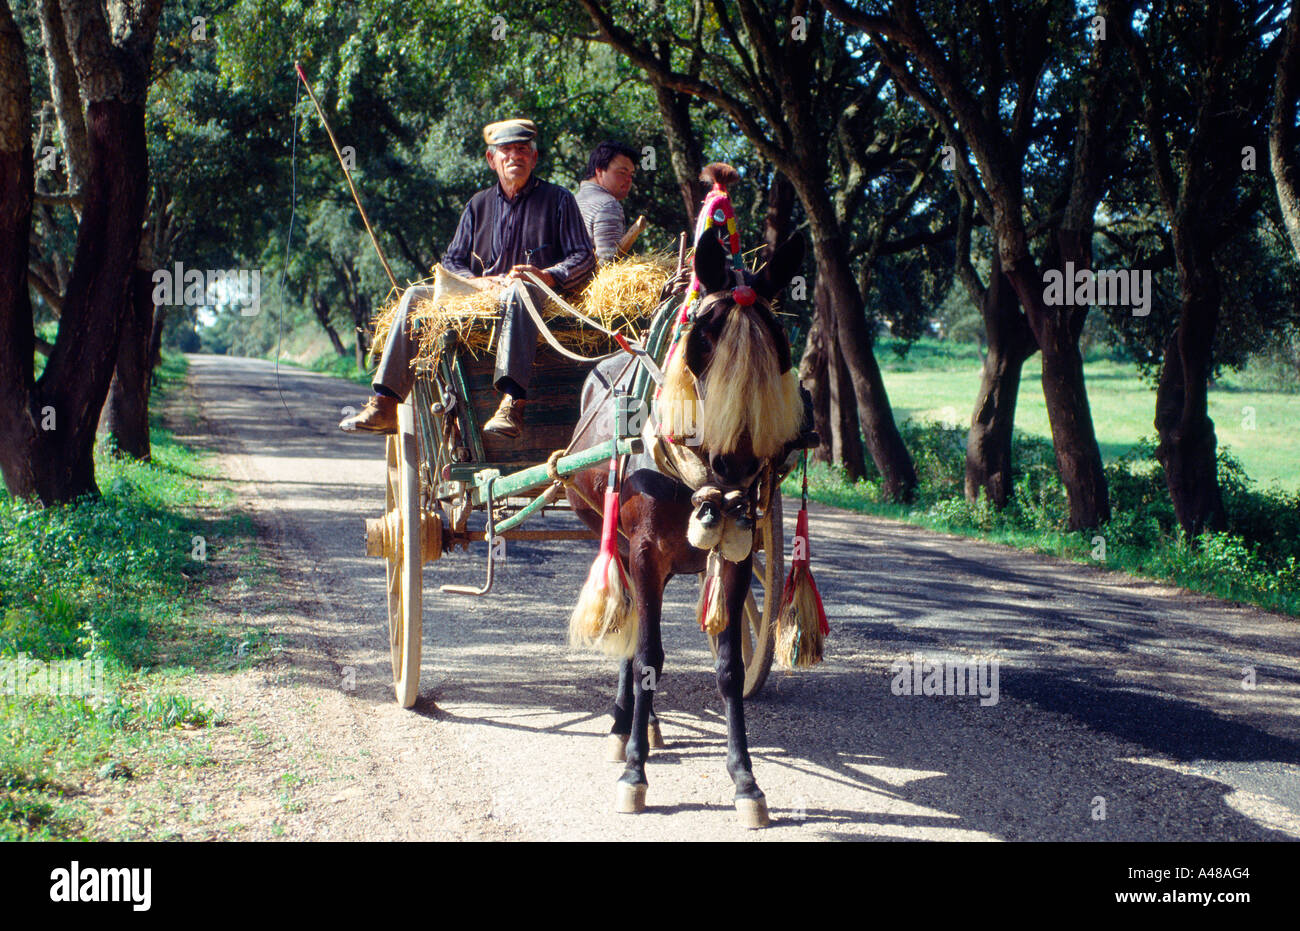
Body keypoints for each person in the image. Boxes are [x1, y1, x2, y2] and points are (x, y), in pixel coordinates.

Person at [340, 118, 596, 439]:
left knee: (520, 290)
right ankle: (386, 404)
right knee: (415, 296)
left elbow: (584, 258)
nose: (514, 156)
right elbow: (452, 262)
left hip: (536, 300)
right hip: (481, 297)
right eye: (505, 150)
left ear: (534, 158)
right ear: (492, 160)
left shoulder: (559, 200)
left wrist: (546, 275)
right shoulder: (478, 205)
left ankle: (512, 402)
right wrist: (478, 283)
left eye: (522, 150)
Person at [575, 141, 637, 263]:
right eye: (622, 172)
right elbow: (608, 266)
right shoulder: (608, 205)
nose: (629, 180)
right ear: (599, 171)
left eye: (631, 175)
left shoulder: (573, 200)